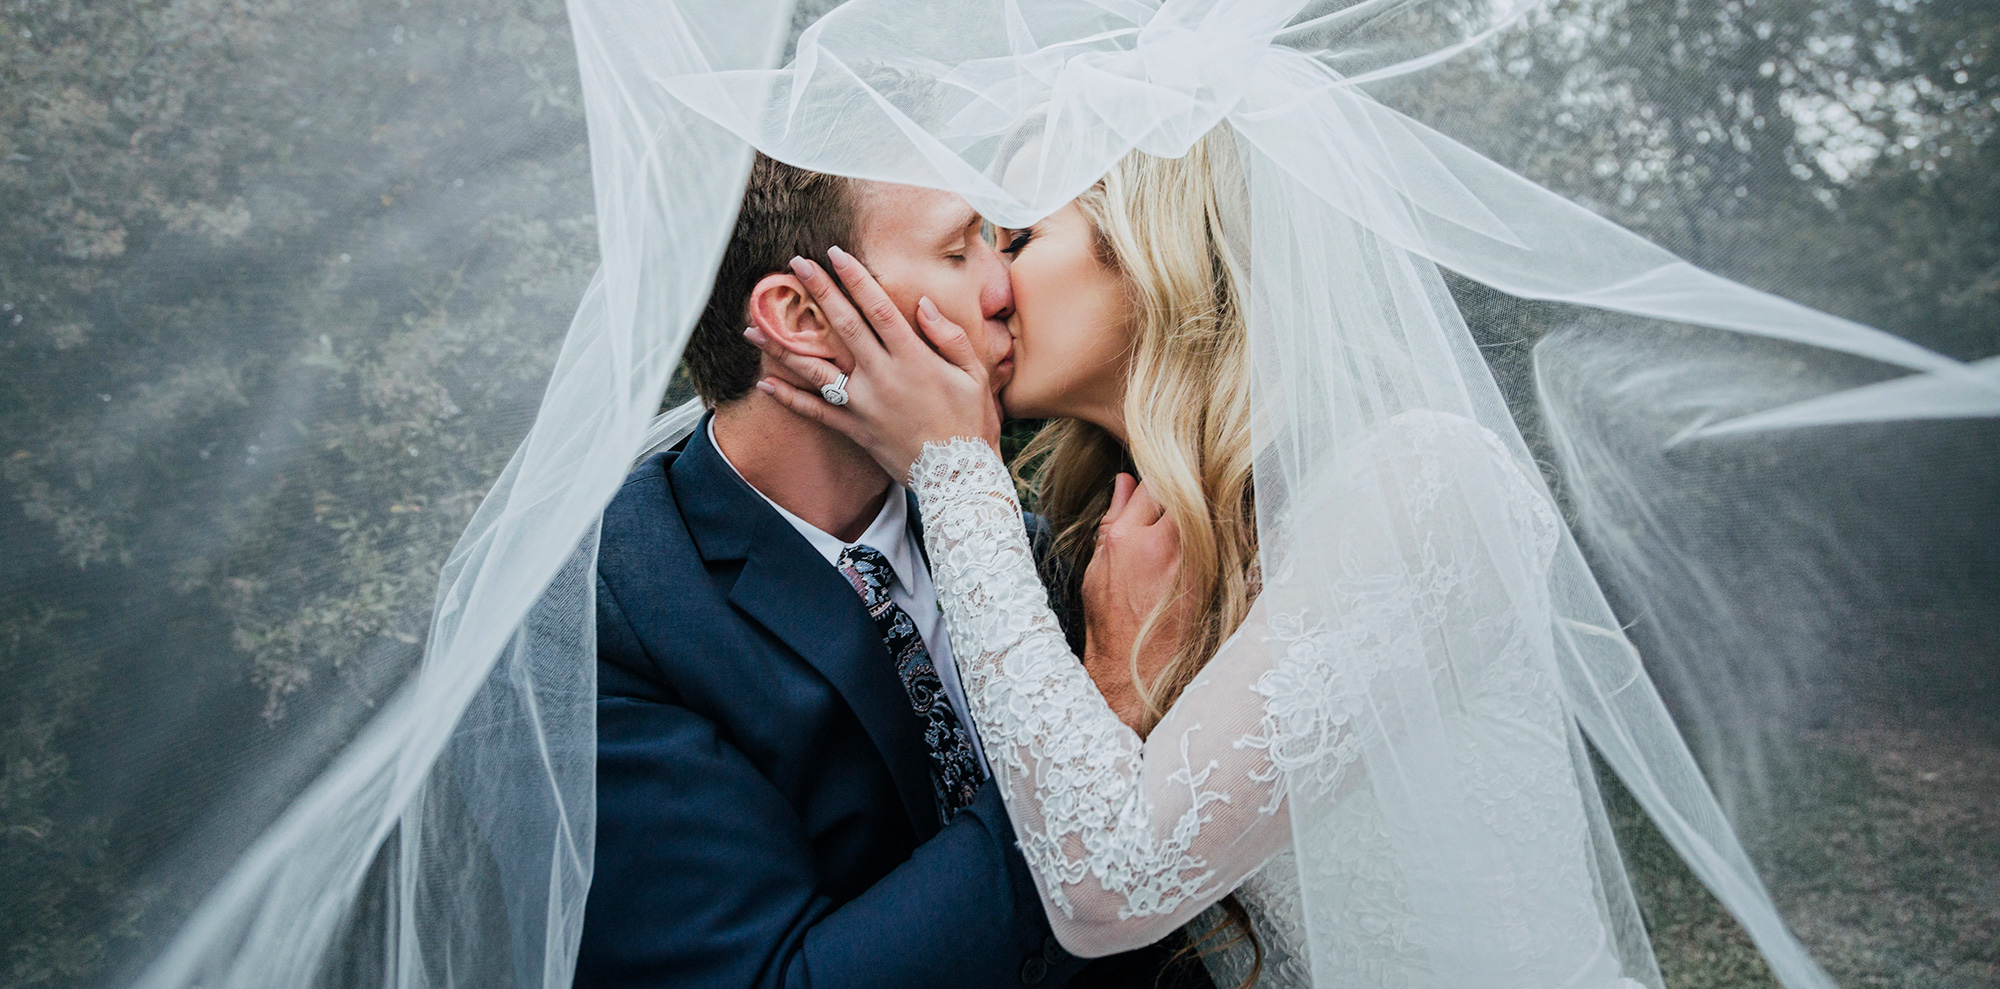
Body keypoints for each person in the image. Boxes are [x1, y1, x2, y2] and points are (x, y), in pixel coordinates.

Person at [752, 131, 1648, 989]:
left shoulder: (1424, 488)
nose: (990, 285)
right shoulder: (1113, 544)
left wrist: (954, 472)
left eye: (1019, 238)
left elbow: (1111, 883)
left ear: (1152, 248)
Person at [574, 154, 1212, 988]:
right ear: (803, 316)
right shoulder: (618, 613)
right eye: (960, 251)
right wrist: (1106, 706)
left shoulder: (1044, 555)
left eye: (1002, 242)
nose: (1002, 288)